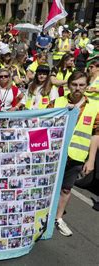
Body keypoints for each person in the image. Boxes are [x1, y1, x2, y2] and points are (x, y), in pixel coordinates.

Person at [47, 71, 99, 236]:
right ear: (69, 85)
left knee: (66, 189)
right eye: (74, 85)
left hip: (77, 155)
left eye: (81, 85)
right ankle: (40, 215)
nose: (78, 88)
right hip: (55, 153)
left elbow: (95, 134)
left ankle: (58, 217)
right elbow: (43, 124)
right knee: (47, 187)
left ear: (86, 86)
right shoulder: (57, 102)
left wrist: (91, 160)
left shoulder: (95, 107)